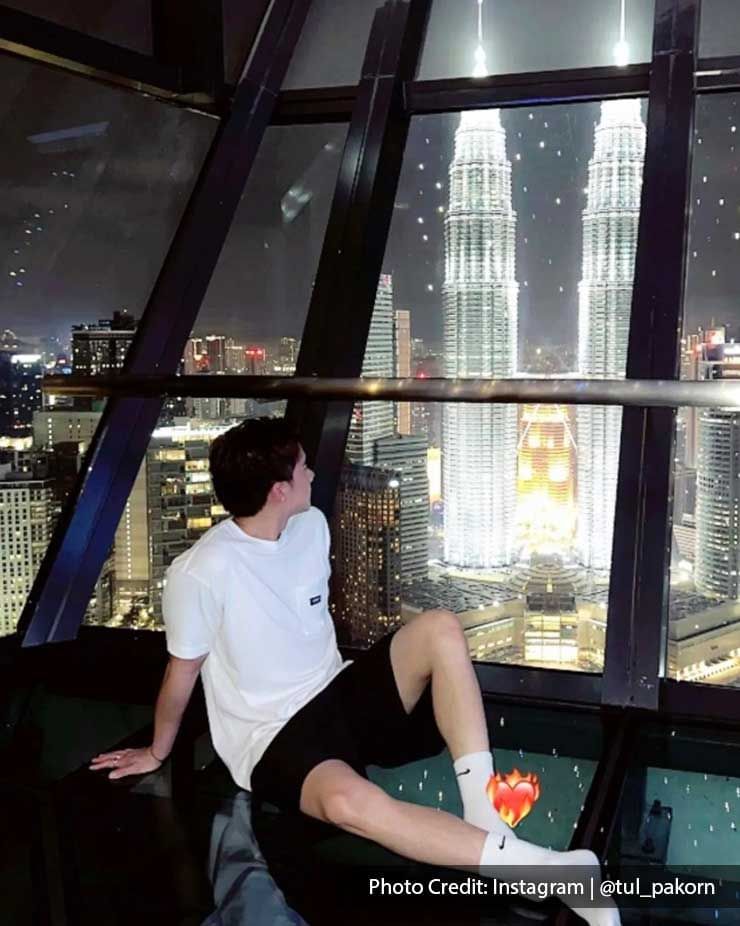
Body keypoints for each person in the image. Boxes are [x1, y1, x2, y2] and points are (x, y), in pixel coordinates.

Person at [90, 417, 618, 926]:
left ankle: (482, 811)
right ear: (278, 489)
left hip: (335, 692)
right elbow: (181, 675)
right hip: (271, 736)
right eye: (302, 468)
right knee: (348, 804)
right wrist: (158, 750)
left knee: (438, 627)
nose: (312, 475)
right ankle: (558, 874)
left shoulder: (311, 527)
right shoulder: (201, 573)